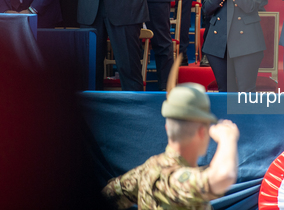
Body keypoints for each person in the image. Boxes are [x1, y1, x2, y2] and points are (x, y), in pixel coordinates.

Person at [102, 83, 240, 210]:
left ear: (167, 128)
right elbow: (222, 176)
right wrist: (227, 138)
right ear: (202, 132)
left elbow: (109, 195)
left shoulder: (148, 168)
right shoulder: (172, 179)